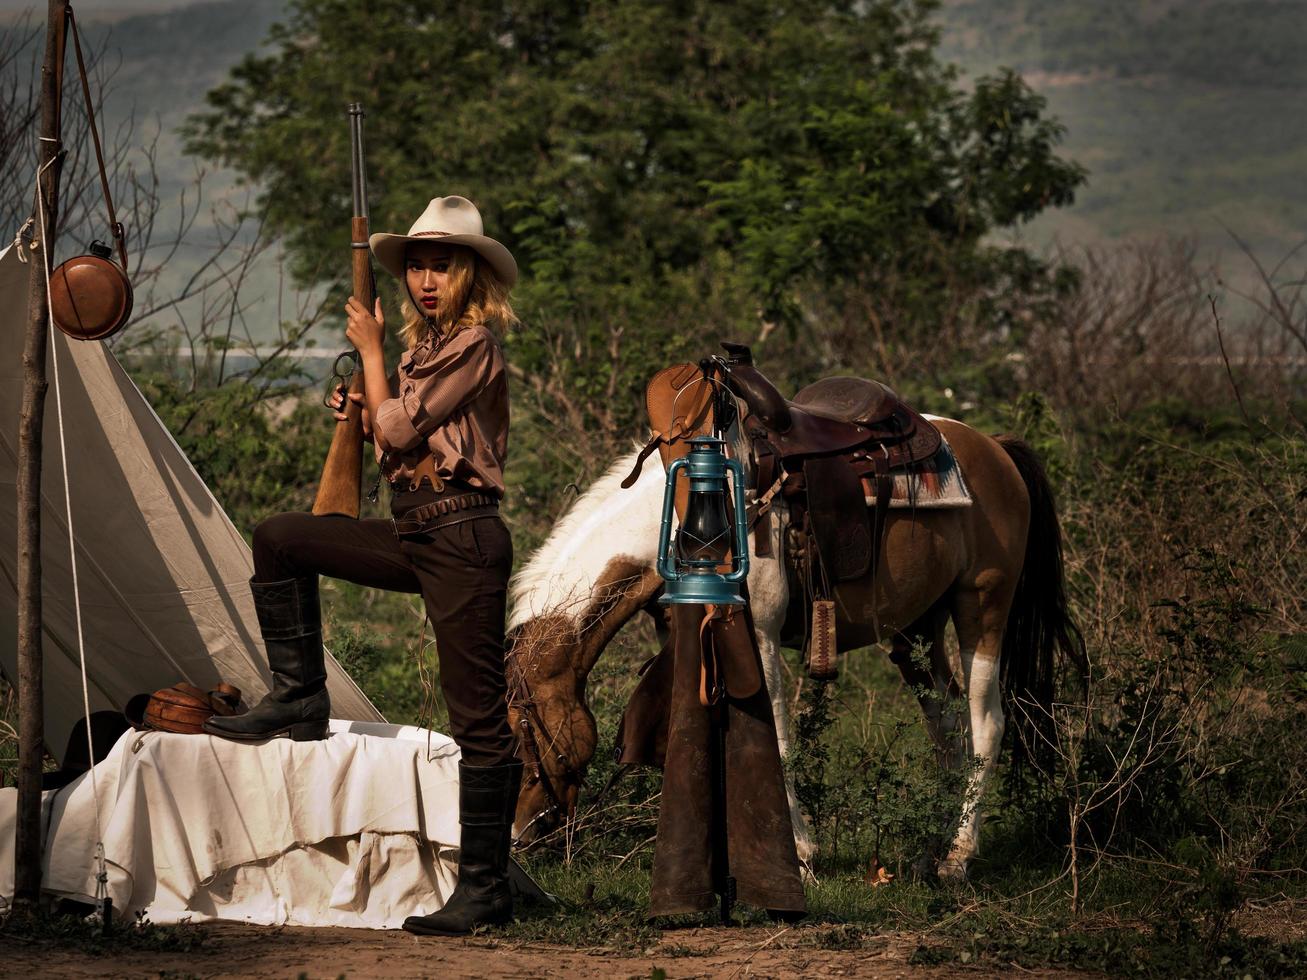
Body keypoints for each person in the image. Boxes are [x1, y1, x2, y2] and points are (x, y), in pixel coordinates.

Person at [203, 195, 523, 936]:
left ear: (470, 275)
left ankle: (484, 892)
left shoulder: (473, 344)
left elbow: (403, 427)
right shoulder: (418, 354)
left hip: (463, 539)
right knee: (281, 537)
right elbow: (388, 436)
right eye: (416, 267)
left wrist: (372, 360)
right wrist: (362, 395)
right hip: (416, 533)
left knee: (477, 721)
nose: (425, 280)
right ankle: (298, 697)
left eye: (440, 267)